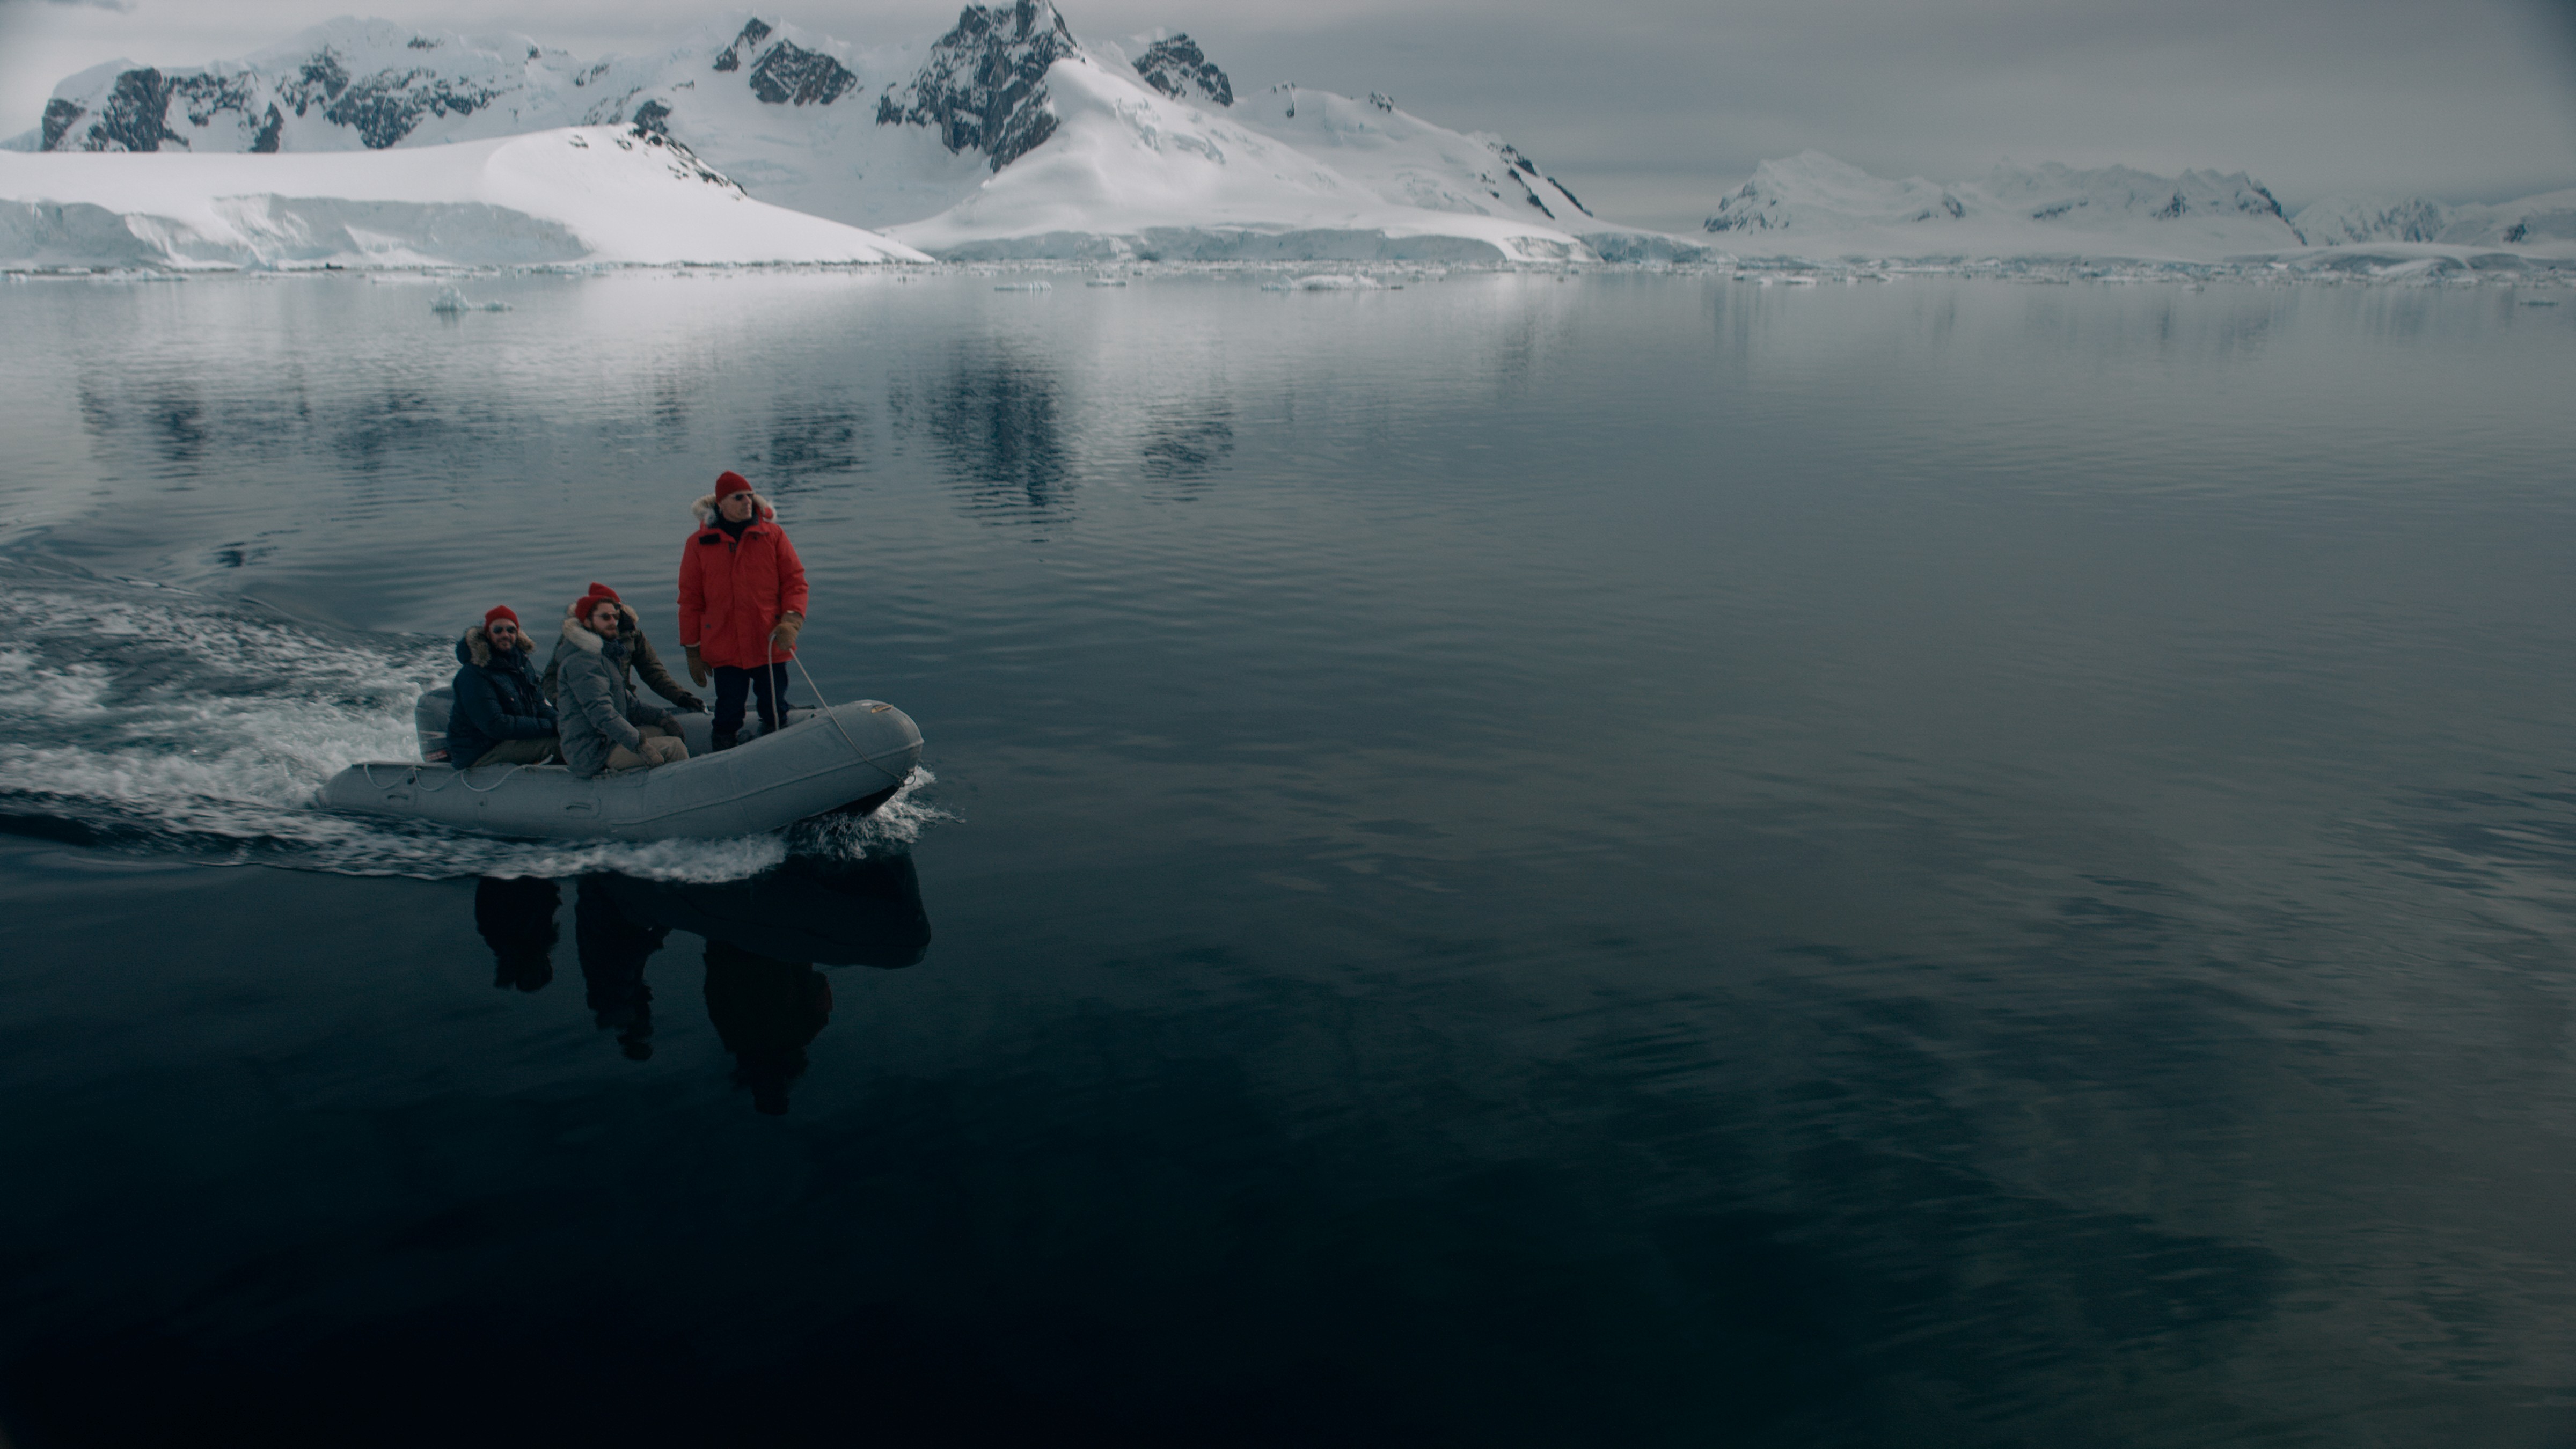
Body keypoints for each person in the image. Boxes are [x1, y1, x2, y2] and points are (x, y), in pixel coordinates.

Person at [678, 470, 808, 751]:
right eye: (739, 498)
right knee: (728, 710)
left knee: (774, 707)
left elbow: (795, 582)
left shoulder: (772, 535)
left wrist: (792, 621)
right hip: (725, 645)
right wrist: (692, 650)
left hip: (769, 639)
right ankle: (723, 755)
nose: (747, 502)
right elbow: (690, 600)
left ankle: (778, 753)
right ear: (721, 503)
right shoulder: (698, 545)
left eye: (750, 496)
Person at [554, 588, 690, 777]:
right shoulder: (582, 663)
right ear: (587, 622)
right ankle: (679, 799)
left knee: (661, 731)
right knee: (673, 747)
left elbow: (629, 704)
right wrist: (639, 745)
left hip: (608, 741)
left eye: (615, 617)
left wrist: (663, 717)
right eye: (605, 617)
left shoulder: (602, 657)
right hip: (593, 751)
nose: (613, 622)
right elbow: (601, 712)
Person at [540, 580, 704, 715]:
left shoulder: (631, 635)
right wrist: (560, 702)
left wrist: (681, 697)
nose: (612, 620)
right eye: (605, 615)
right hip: (586, 709)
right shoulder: (573, 640)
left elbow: (653, 672)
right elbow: (551, 677)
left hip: (624, 703)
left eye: (616, 612)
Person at [445, 605, 559, 768]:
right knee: (562, 746)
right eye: (498, 630)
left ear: (517, 634)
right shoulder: (474, 675)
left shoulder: (522, 664)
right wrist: (550, 728)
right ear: (487, 634)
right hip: (481, 751)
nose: (505, 635)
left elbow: (540, 705)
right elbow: (497, 725)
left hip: (511, 740)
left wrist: (561, 723)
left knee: (575, 739)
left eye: (511, 630)